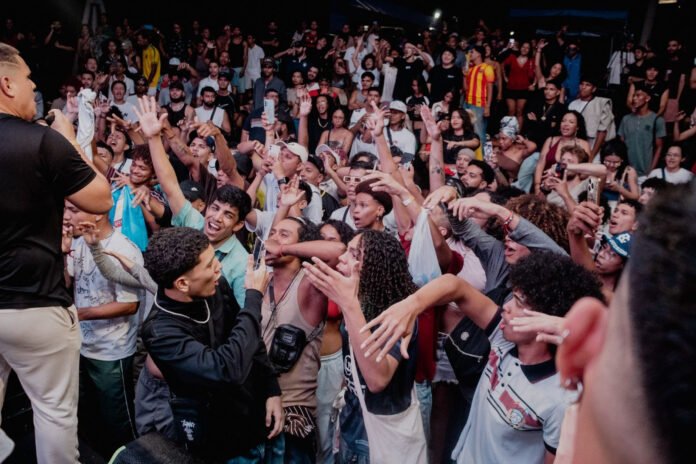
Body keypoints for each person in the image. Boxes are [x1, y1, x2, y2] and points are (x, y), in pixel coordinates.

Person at [359, 251, 604, 464]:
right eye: (512, 296)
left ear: (548, 317)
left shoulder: (561, 399)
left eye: (520, 303)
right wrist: (411, 305)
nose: (506, 306)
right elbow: (455, 286)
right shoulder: (504, 339)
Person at [0, 42, 112, 464]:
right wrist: (67, 137)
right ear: (7, 84)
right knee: (54, 416)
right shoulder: (42, 141)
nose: (34, 87)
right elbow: (100, 199)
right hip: (36, 305)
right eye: (29, 78)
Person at [553, 182, 696, 463]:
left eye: (614, 253)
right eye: (605, 248)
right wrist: (575, 234)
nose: (604, 254)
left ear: (581, 342)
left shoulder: (614, 300)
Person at [139, 227, 283, 461]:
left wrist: (271, 389)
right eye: (209, 266)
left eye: (214, 259)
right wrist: (254, 297)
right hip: (221, 440)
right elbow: (226, 370)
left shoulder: (216, 288)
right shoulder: (160, 332)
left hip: (255, 417)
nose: (219, 268)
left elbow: (249, 337)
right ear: (182, 283)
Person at [302, 230, 427, 463]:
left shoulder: (396, 316)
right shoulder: (361, 302)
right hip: (351, 422)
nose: (342, 258)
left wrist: (349, 305)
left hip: (380, 434)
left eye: (353, 254)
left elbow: (377, 380)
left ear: (373, 265)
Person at [137, 97, 251, 306]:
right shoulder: (195, 224)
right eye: (215, 208)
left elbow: (244, 316)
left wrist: (217, 135)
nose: (216, 218)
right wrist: (153, 138)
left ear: (238, 225)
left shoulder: (241, 263)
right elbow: (170, 186)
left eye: (228, 215)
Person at [63, 203, 142, 458]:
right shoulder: (78, 242)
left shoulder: (123, 249)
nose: (67, 216)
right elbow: (68, 282)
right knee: (90, 417)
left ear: (97, 213)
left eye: (74, 210)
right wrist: (62, 253)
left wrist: (81, 314)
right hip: (83, 344)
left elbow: (129, 304)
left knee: (118, 422)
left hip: (112, 350)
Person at [533, 110, 591, 193]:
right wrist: (537, 187)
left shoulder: (583, 144)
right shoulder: (550, 140)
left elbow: (586, 171)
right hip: (547, 186)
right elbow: (540, 165)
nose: (566, 124)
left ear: (577, 127)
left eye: (571, 122)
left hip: (570, 189)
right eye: (563, 121)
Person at [618, 83, 666, 181]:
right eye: (633, 96)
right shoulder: (626, 119)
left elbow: (659, 147)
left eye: (638, 95)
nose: (634, 98)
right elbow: (621, 145)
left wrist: (651, 171)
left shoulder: (657, 120)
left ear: (647, 98)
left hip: (645, 173)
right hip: (626, 172)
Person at [568, 76, 615, 160]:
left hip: (593, 146)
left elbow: (602, 132)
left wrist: (592, 155)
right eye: (582, 84)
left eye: (587, 85)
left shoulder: (601, 103)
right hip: (573, 144)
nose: (583, 87)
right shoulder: (572, 104)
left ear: (593, 89)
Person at [463, 46, 495, 145]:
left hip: (479, 104)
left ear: (479, 54)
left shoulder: (487, 68)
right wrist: (464, 75)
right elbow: (465, 88)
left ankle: (482, 154)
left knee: (479, 133)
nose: (470, 54)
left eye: (472, 52)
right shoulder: (470, 69)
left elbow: (490, 88)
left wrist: (488, 106)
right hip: (467, 103)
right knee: (468, 131)